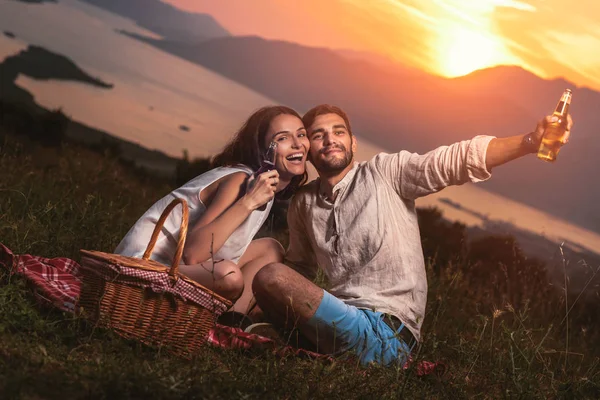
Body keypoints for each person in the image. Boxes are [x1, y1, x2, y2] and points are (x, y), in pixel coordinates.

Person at [251, 104, 573, 366]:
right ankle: (309, 345)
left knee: (272, 277)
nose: (330, 140)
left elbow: (453, 161)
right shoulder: (304, 202)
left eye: (339, 132)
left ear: (353, 143)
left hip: (388, 333)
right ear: (308, 149)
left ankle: (308, 344)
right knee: (272, 263)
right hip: (340, 317)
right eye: (319, 135)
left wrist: (531, 141)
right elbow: (302, 269)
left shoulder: (384, 172)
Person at [115, 106, 310, 319]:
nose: (297, 143)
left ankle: (233, 320)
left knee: (271, 249)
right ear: (264, 150)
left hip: (177, 267)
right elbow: (193, 254)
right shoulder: (240, 181)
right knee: (229, 275)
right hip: (144, 266)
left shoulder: (264, 187)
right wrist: (248, 202)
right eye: (283, 138)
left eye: (301, 134)